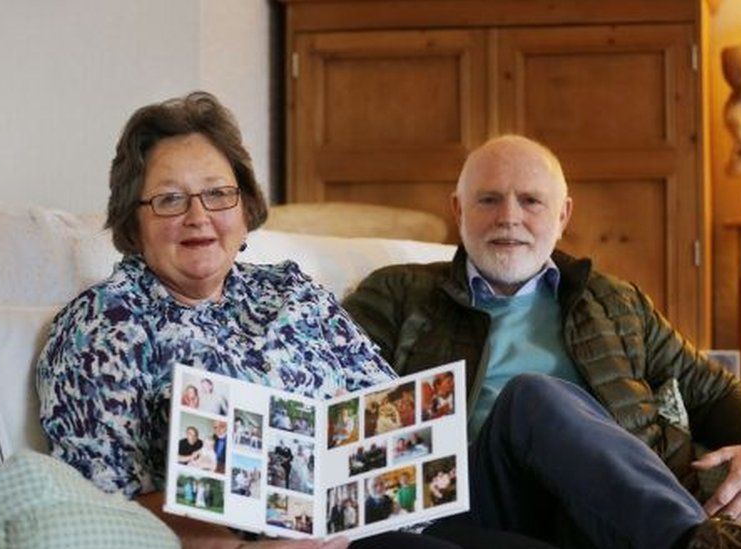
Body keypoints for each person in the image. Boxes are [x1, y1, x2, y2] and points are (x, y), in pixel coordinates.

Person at [38, 91, 502, 549]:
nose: (198, 216)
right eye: (170, 200)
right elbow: (100, 507)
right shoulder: (103, 326)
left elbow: (389, 410)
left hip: (391, 514)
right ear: (133, 222)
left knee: (530, 409)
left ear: (244, 209)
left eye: (218, 194)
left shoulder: (292, 291)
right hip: (287, 545)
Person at [343, 135, 741, 549]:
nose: (509, 217)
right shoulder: (398, 292)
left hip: (601, 507)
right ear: (458, 209)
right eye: (488, 199)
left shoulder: (614, 302)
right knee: (530, 397)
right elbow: (337, 406)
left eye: (531, 201)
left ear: (563, 215)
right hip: (475, 499)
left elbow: (712, 389)